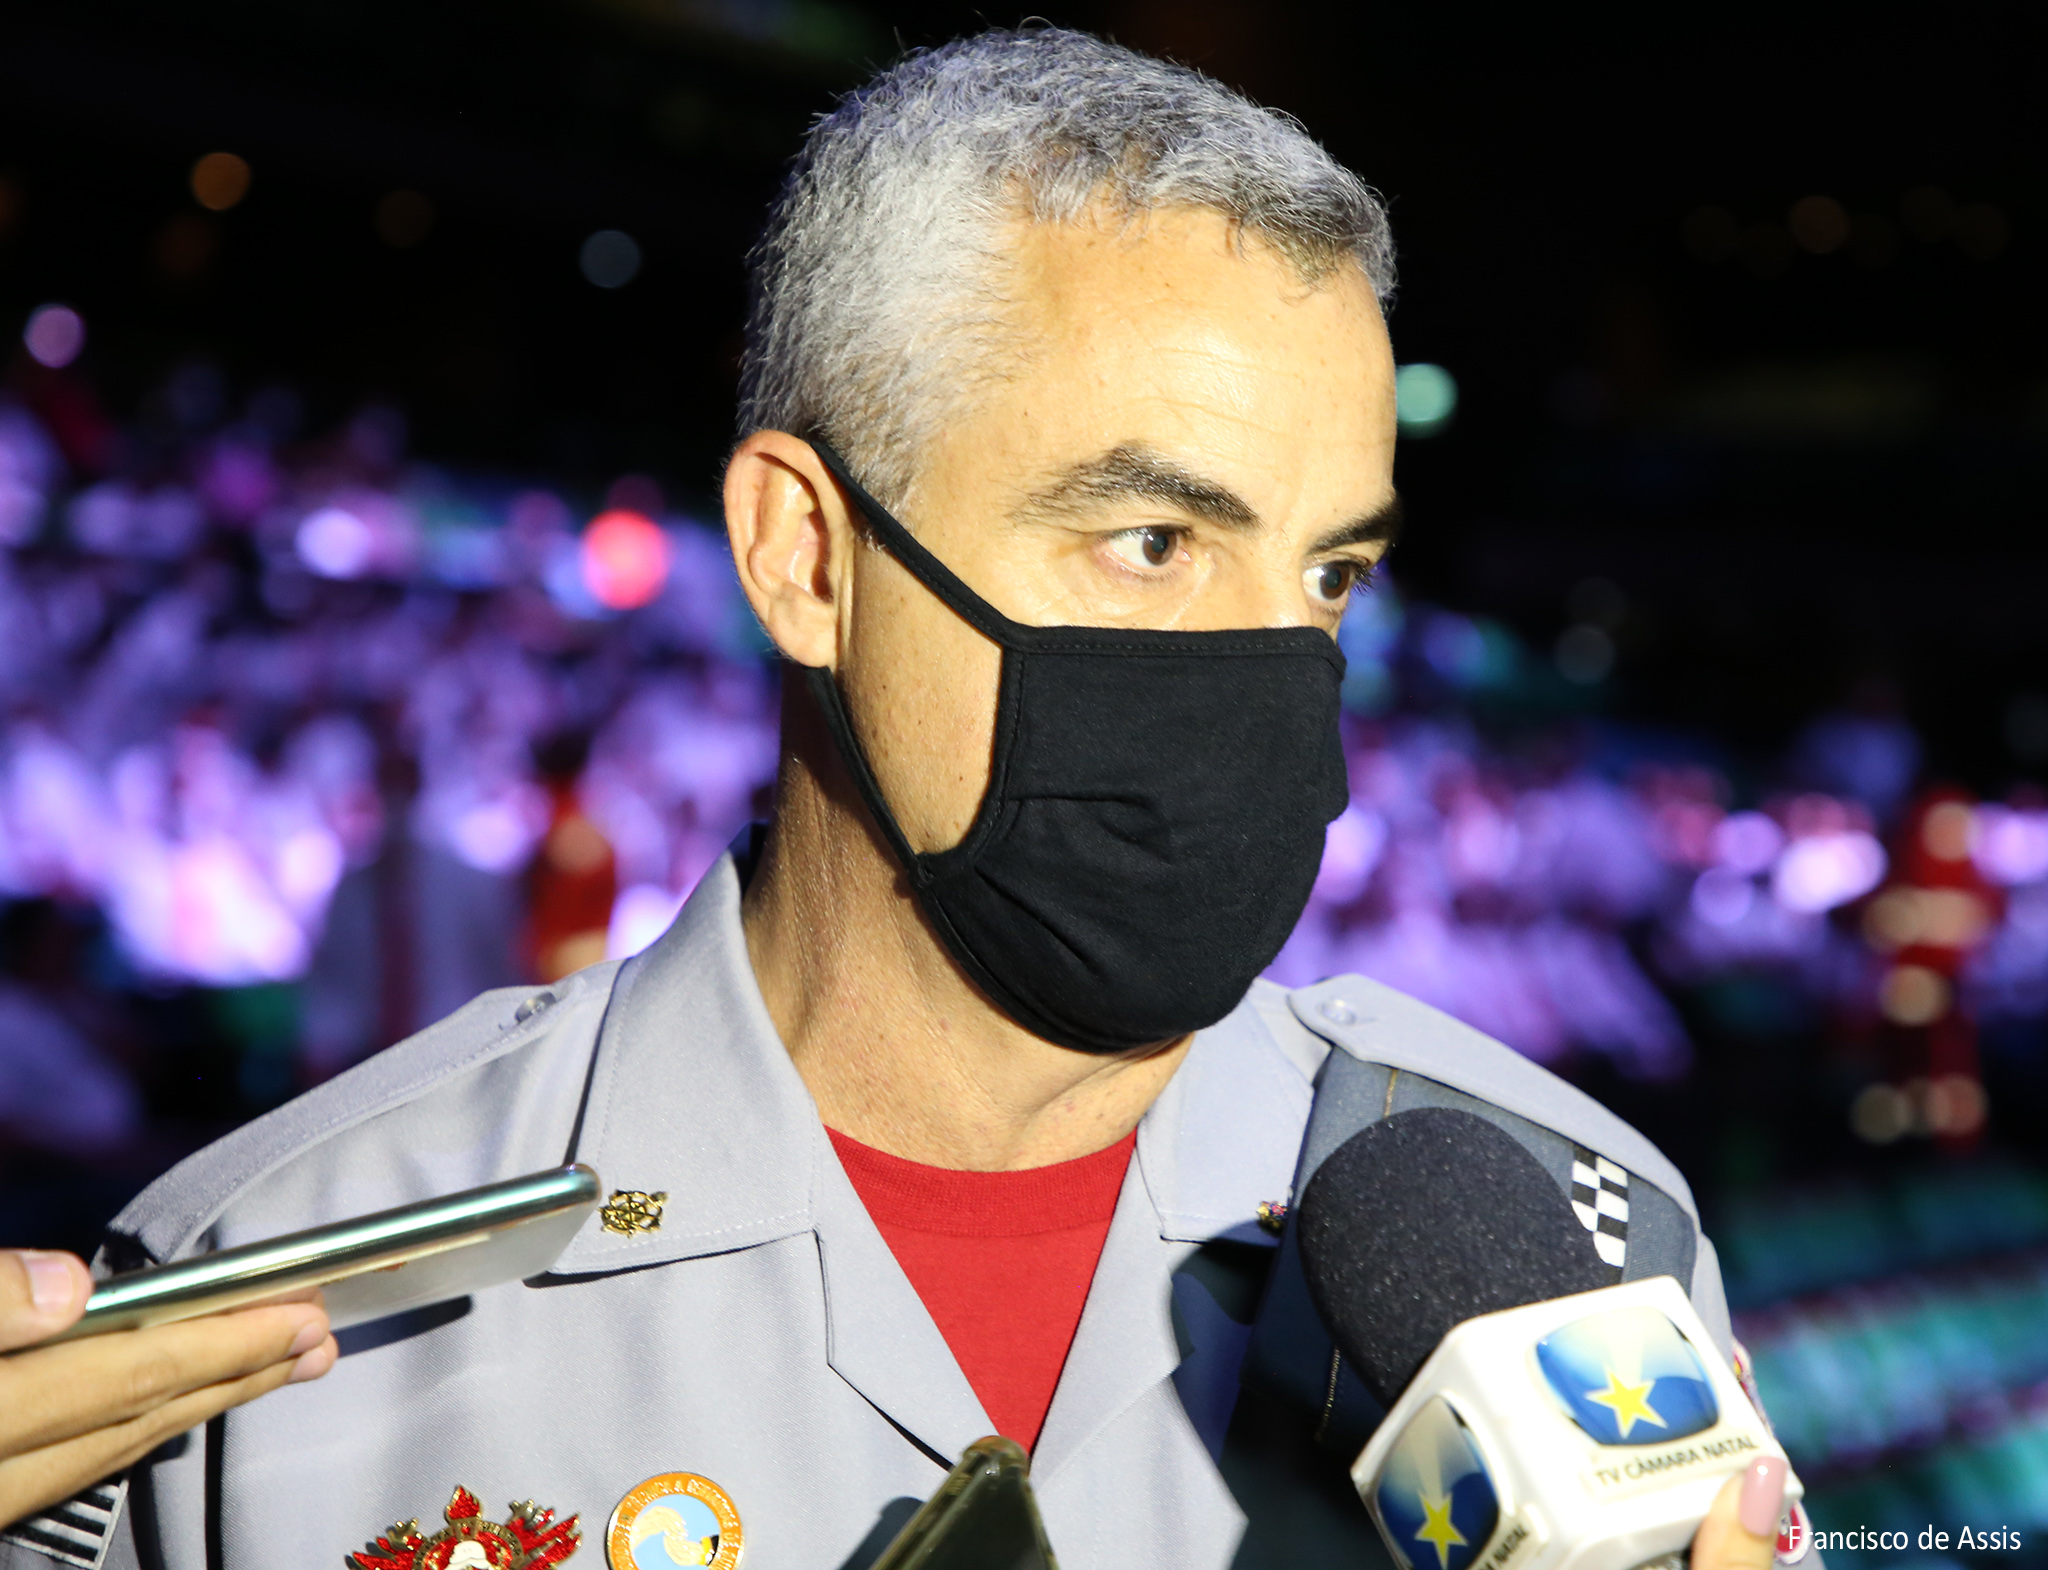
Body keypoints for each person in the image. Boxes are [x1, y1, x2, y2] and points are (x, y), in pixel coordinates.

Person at [2, 29, 1793, 1570]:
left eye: (1329, 576)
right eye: (1152, 541)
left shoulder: (1579, 1255)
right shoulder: (269, 1307)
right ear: (806, 554)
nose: (1272, 678)